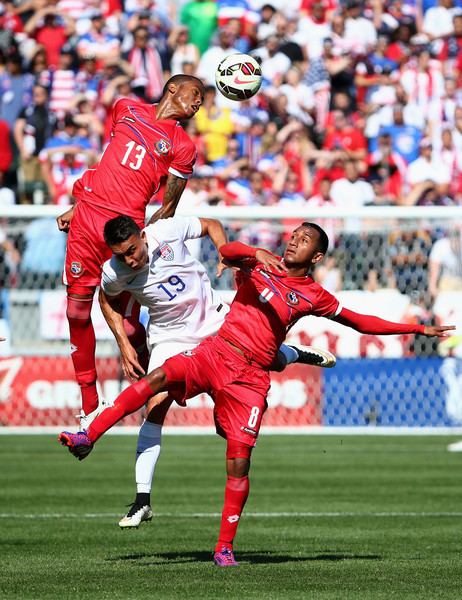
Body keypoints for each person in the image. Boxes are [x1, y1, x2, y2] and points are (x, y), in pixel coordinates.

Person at [59, 222, 455, 567]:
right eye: (293, 235)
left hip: (249, 379)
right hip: (215, 350)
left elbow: (358, 321)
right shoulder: (260, 264)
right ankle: (88, 436)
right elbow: (227, 252)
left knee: (238, 461)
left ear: (316, 256)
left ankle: (224, 548)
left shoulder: (314, 295)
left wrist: (418, 330)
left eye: (303, 240)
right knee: (158, 380)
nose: (294, 241)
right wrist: (254, 253)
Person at [99, 214, 335, 528]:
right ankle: (142, 500)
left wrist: (225, 254)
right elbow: (106, 298)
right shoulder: (114, 272)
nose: (130, 259)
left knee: (265, 359)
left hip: (213, 320)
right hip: (170, 336)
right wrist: (124, 344)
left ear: (142, 236)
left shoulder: (165, 231)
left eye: (132, 250)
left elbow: (210, 224)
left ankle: (291, 353)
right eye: (121, 255)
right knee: (154, 405)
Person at [56, 74, 205, 428]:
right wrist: (78, 207)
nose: (199, 102)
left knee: (126, 322)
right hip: (88, 219)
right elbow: (110, 165)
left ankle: (152, 385)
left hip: (124, 237)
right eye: (195, 94)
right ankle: (89, 404)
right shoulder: (125, 109)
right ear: (172, 89)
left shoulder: (182, 145)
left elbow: (168, 207)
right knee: (77, 312)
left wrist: (147, 237)